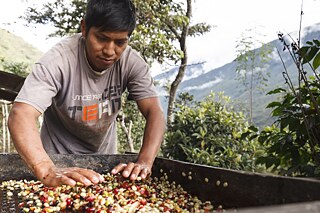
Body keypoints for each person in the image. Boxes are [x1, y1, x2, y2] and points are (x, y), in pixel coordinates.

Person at [8, 0, 165, 187]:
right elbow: (21, 114)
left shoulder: (132, 63)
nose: (109, 51)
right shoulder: (58, 61)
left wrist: (145, 161)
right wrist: (47, 170)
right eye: (102, 38)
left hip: (105, 163)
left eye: (120, 42)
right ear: (84, 28)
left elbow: (154, 112)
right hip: (57, 162)